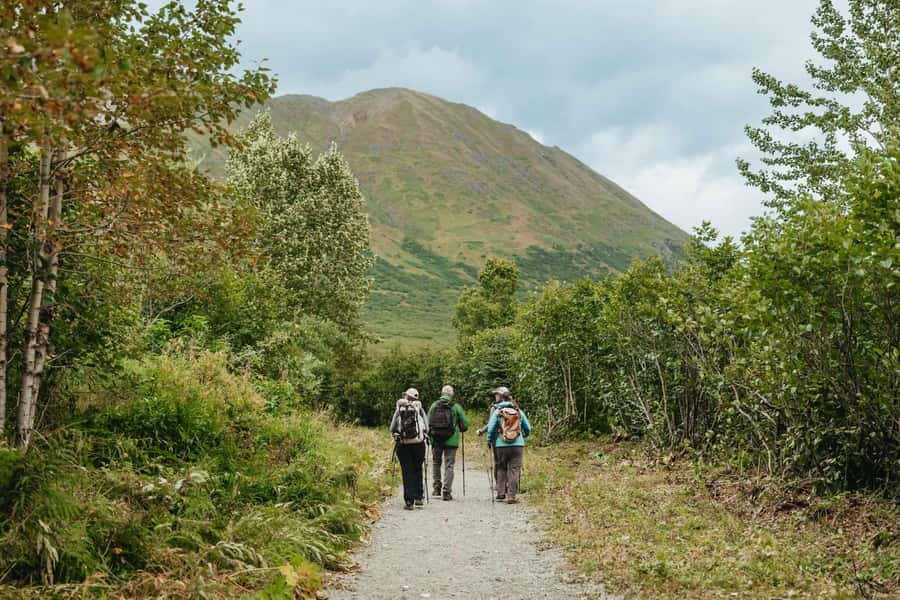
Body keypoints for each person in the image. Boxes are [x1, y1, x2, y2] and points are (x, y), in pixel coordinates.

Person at [486, 389, 531, 504]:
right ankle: (511, 496)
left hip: (501, 444)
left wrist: (489, 440)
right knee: (514, 470)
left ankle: (501, 493)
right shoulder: (518, 411)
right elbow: (528, 428)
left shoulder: (498, 411)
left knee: (501, 468)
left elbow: (490, 428)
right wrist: (523, 436)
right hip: (517, 444)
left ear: (502, 399)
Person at [427, 385, 469, 501]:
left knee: (436, 463)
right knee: (449, 465)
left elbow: (427, 422)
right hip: (451, 440)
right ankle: (446, 491)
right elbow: (465, 425)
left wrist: (430, 437)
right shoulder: (456, 407)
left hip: (436, 439)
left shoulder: (434, 406)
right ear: (452, 394)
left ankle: (436, 489)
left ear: (442, 393)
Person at [390, 388, 429, 510]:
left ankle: (409, 501)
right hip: (419, 444)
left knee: (407, 471)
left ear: (406, 396)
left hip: (403, 444)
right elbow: (427, 427)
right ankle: (419, 497)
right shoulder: (419, 408)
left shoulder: (400, 408)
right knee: (417, 469)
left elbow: (392, 428)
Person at [477, 386, 512, 497]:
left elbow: (491, 424)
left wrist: (482, 431)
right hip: (513, 438)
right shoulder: (514, 406)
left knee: (499, 462)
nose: (495, 396)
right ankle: (509, 485)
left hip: (498, 439)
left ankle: (499, 485)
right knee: (511, 463)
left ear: (501, 396)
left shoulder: (496, 408)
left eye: (497, 394)